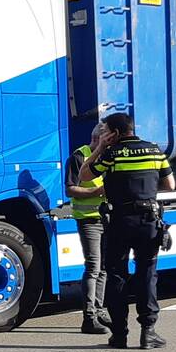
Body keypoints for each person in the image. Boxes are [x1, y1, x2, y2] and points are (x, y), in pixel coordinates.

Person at [79, 113, 176, 350]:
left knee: (116, 275)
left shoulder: (112, 154)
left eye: (105, 132)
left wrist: (100, 147)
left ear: (116, 133)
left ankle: (120, 334)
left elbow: (84, 176)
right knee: (147, 275)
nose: (103, 136)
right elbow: (170, 185)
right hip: (148, 220)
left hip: (119, 222)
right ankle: (148, 332)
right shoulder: (155, 151)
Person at [65, 123, 109, 335]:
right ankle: (89, 317)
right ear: (96, 139)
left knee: (103, 268)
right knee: (93, 266)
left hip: (107, 218)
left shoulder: (108, 156)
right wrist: (97, 191)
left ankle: (99, 310)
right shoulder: (78, 157)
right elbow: (71, 189)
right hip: (89, 219)